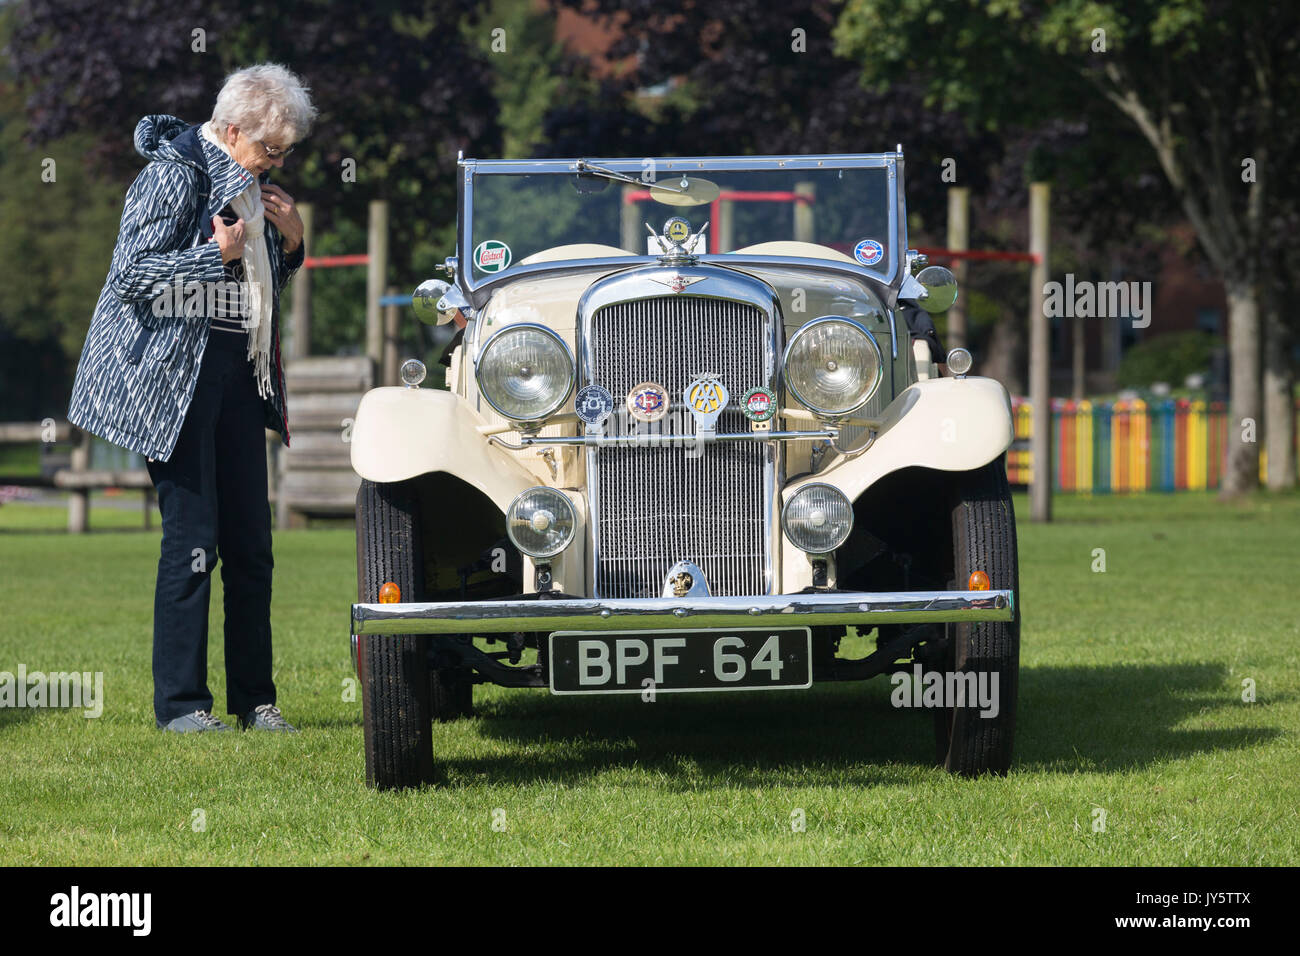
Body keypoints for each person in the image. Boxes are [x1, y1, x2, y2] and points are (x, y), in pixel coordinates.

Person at [68, 64, 317, 732]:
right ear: (231, 131)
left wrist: (290, 247)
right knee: (193, 541)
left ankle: (255, 702)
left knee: (251, 546)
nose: (278, 162)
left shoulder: (251, 184)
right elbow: (130, 276)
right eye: (270, 149)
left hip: (238, 373)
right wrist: (216, 255)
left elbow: (255, 291)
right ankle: (182, 707)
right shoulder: (174, 174)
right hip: (170, 382)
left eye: (286, 151)